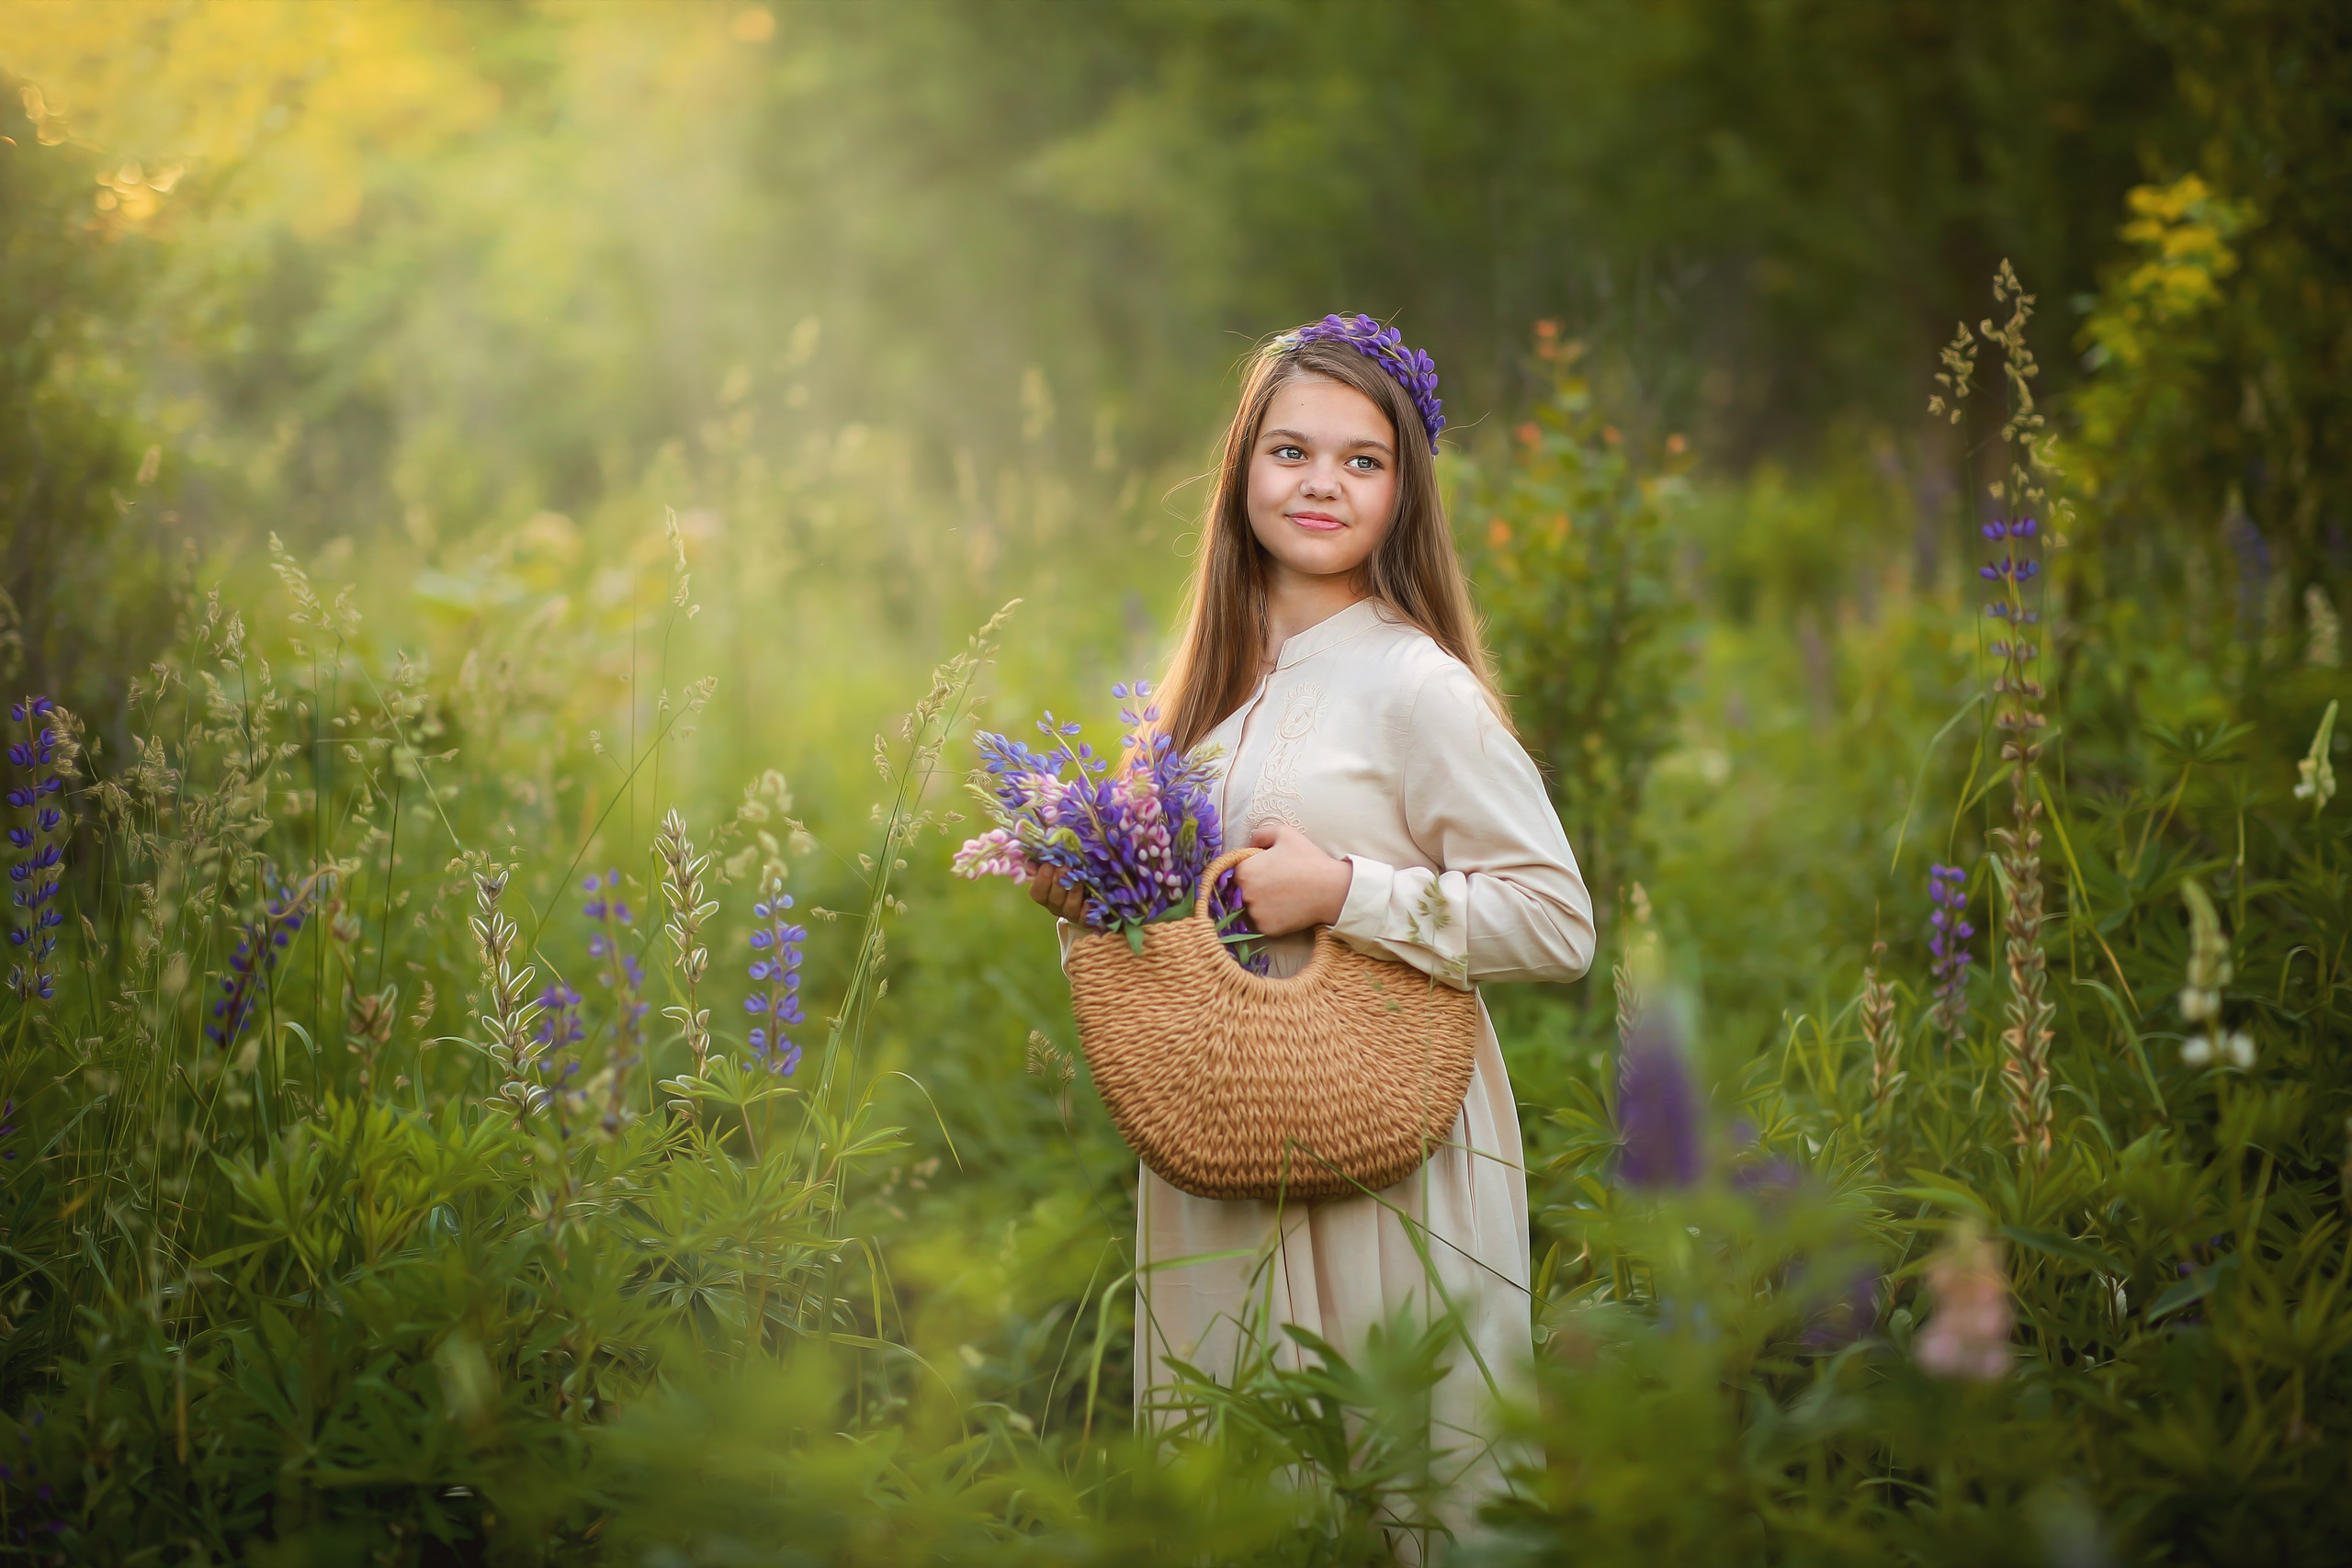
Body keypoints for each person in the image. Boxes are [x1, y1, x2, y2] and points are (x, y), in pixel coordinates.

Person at [1029, 316, 1595, 1550]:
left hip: (1384, 1144)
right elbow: (1187, 926)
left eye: (1362, 459)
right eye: (1291, 450)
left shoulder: (1417, 686)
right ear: (1241, 470)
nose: (1322, 483)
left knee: (1391, 1477)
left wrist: (1346, 892)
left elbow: (1558, 922)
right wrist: (1096, 898)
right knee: (1243, 1484)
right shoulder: (1204, 694)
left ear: (1405, 493)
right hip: (1224, 1136)